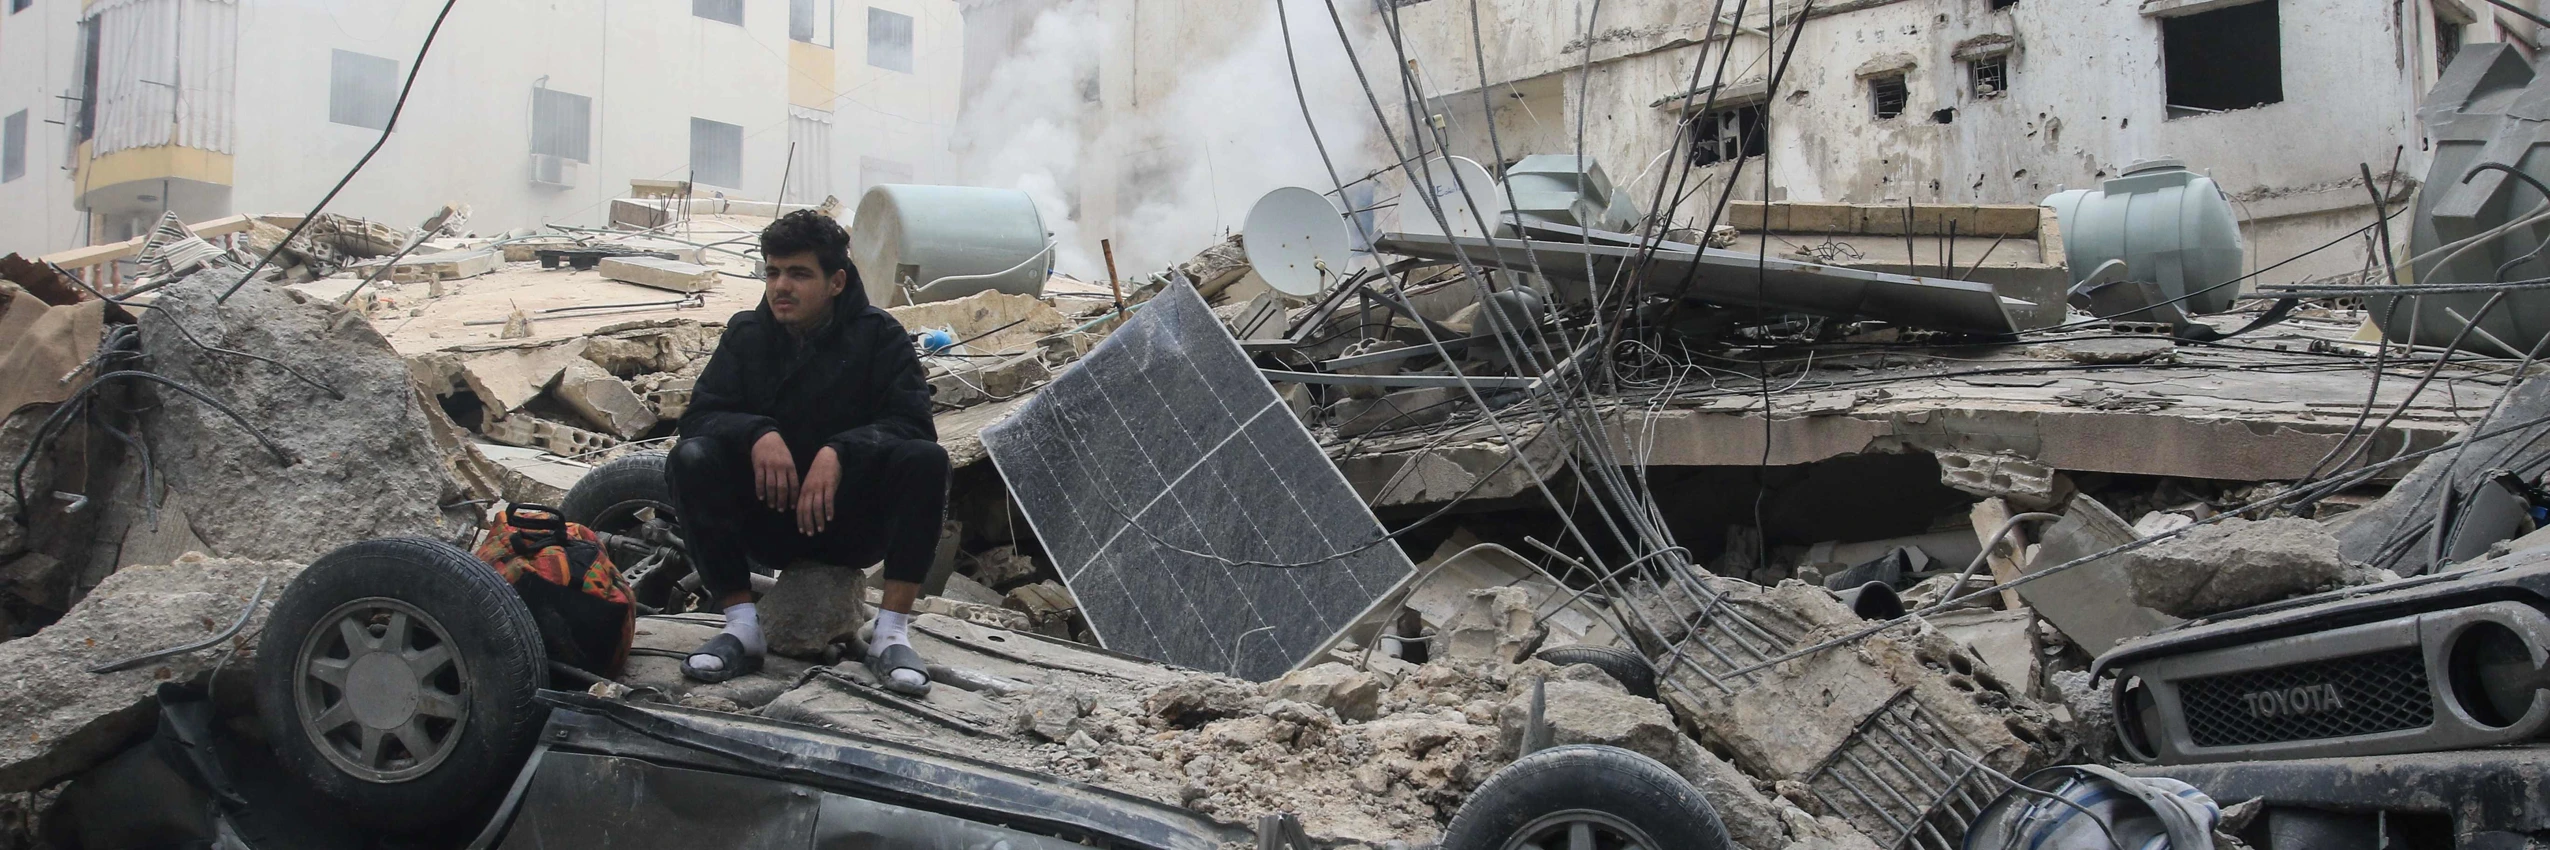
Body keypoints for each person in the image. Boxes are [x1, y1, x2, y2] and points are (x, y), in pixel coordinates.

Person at [668, 210, 946, 695]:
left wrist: (841, 451)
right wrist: (758, 433)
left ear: (836, 281)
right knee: (692, 457)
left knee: (925, 461)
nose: (781, 286)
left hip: (850, 525)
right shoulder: (747, 335)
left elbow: (914, 425)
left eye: (798, 274)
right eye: (773, 272)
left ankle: (891, 635)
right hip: (768, 521)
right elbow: (699, 418)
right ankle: (741, 628)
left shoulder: (880, 337)